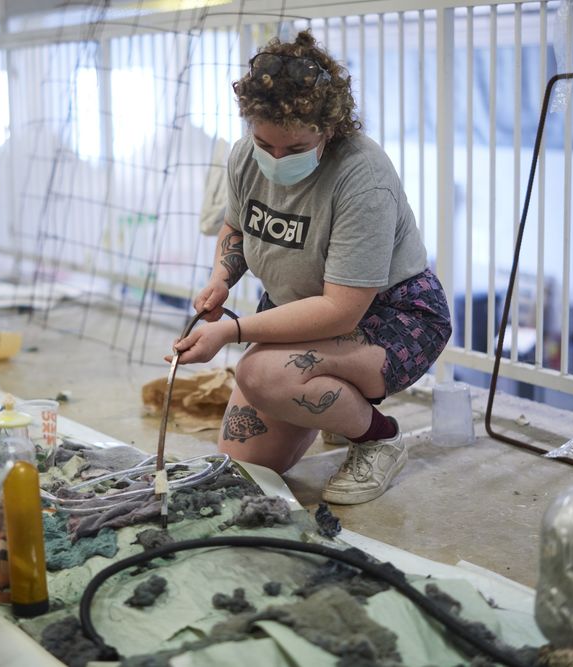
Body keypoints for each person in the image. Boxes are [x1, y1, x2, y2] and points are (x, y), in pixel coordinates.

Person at [173, 31, 452, 505]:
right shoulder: (245, 155)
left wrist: (232, 332)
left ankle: (377, 438)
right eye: (266, 144)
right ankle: (341, 413)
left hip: (390, 316)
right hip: (299, 307)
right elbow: (236, 229)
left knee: (262, 375)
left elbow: (341, 311)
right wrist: (221, 278)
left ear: (329, 128)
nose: (276, 160)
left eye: (295, 148)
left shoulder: (363, 174)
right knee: (245, 466)